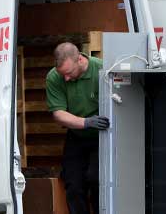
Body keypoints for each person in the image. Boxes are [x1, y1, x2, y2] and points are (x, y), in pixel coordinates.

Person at [46, 42, 110, 214]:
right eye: (62, 74)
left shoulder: (103, 70)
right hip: (76, 135)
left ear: (80, 60)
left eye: (69, 73)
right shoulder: (54, 77)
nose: (66, 78)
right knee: (73, 184)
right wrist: (86, 122)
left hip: (101, 136)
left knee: (96, 180)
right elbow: (58, 113)